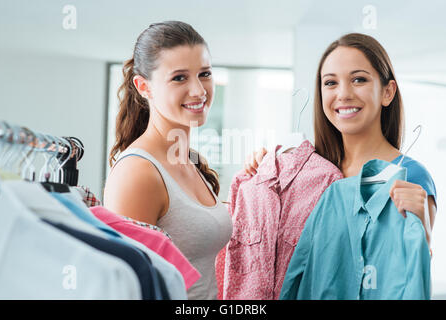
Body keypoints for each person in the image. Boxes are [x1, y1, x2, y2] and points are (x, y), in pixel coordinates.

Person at [244, 33, 436, 249]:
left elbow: (410, 273)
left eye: (358, 79)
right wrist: (263, 169)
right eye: (331, 82)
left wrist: (423, 236)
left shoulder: (411, 177)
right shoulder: (304, 172)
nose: (343, 94)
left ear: (387, 92)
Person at [103, 21, 233, 300]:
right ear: (143, 87)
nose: (199, 91)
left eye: (205, 74)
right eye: (179, 78)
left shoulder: (189, 161)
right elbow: (129, 289)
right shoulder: (138, 172)